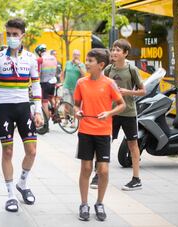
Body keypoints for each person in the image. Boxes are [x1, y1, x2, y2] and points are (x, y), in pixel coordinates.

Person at [0, 18, 43, 212]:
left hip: (24, 108)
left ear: (22, 35)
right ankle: (10, 195)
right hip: (5, 109)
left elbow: (35, 84)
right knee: (7, 152)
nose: (11, 38)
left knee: (32, 151)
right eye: (8, 34)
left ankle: (22, 184)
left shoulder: (31, 59)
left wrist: (38, 110)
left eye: (15, 34)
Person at [73, 48, 125, 221]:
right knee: (86, 168)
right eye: (86, 60)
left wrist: (109, 113)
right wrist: (77, 112)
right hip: (85, 131)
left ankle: (100, 203)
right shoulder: (81, 82)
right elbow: (75, 104)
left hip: (103, 132)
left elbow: (121, 105)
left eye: (90, 61)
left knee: (103, 170)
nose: (86, 63)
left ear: (101, 65)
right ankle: (84, 203)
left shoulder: (109, 83)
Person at [90, 39, 146, 191]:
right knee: (104, 142)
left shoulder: (131, 70)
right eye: (113, 49)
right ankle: (98, 174)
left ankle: (136, 179)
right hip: (111, 113)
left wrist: (128, 92)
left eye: (118, 50)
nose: (114, 52)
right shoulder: (108, 69)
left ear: (125, 53)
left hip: (129, 113)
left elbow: (143, 91)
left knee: (132, 144)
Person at [61, 49, 86, 127]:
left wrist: (78, 65)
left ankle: (73, 122)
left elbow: (84, 75)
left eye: (77, 55)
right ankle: (65, 120)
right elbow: (63, 73)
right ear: (72, 55)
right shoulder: (67, 63)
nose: (76, 56)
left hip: (76, 88)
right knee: (66, 104)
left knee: (74, 106)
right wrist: (62, 82)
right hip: (66, 87)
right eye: (74, 54)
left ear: (79, 56)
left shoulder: (81, 65)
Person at [35, 44, 57, 119]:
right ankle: (56, 115)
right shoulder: (53, 57)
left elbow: (38, 74)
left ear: (39, 52)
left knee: (44, 103)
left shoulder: (40, 59)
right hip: (53, 82)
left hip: (44, 83)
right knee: (51, 98)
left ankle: (46, 123)